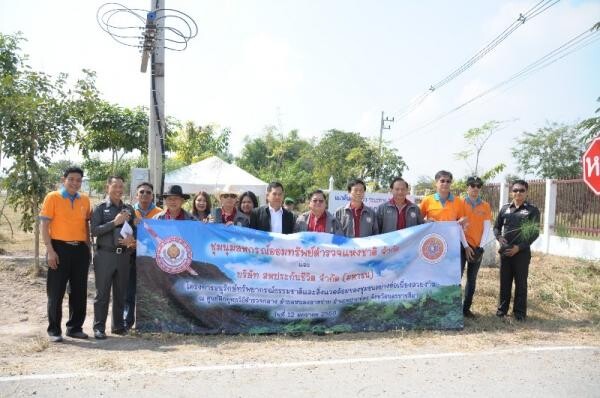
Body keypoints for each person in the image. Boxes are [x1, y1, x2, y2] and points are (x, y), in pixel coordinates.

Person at [39, 166, 91, 342]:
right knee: (56, 291)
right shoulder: (52, 197)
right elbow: (44, 226)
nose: (75, 183)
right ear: (64, 180)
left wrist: (88, 248)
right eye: (71, 179)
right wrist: (50, 251)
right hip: (59, 248)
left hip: (80, 250)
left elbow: (86, 225)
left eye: (78, 180)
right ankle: (54, 330)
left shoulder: (85, 200)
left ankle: (75, 328)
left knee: (79, 291)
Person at [91, 176, 137, 339]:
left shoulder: (129, 209)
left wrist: (132, 240)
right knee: (102, 293)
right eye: (115, 186)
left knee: (120, 293)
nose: (119, 190)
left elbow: (134, 229)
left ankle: (118, 326)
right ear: (107, 187)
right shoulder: (100, 208)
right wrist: (114, 222)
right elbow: (94, 231)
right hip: (105, 255)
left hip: (124, 256)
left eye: (121, 187)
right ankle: (99, 327)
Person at [494, 179, 540, 321]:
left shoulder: (532, 210)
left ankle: (519, 314)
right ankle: (502, 311)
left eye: (521, 190)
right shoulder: (505, 208)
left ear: (526, 192)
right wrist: (499, 237)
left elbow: (534, 233)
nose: (518, 193)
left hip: (521, 253)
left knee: (521, 284)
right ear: (511, 192)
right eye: (515, 190)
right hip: (506, 252)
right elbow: (496, 227)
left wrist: (518, 248)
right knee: (505, 283)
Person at [123, 182, 162, 331]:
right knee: (129, 290)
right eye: (142, 192)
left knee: (152, 289)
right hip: (132, 256)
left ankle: (150, 322)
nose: (145, 195)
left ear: (153, 195)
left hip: (152, 259)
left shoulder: (160, 213)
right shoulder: (129, 212)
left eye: (148, 192)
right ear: (136, 194)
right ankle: (127, 321)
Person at [461, 176, 492, 318]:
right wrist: (466, 246)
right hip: (462, 246)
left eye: (478, 186)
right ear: (467, 187)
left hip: (477, 247)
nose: (475, 188)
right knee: (457, 278)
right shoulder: (460, 203)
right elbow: (459, 227)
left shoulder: (485, 205)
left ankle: (466, 309)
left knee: (472, 279)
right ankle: (454, 308)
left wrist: (480, 247)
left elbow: (487, 228)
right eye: (472, 185)